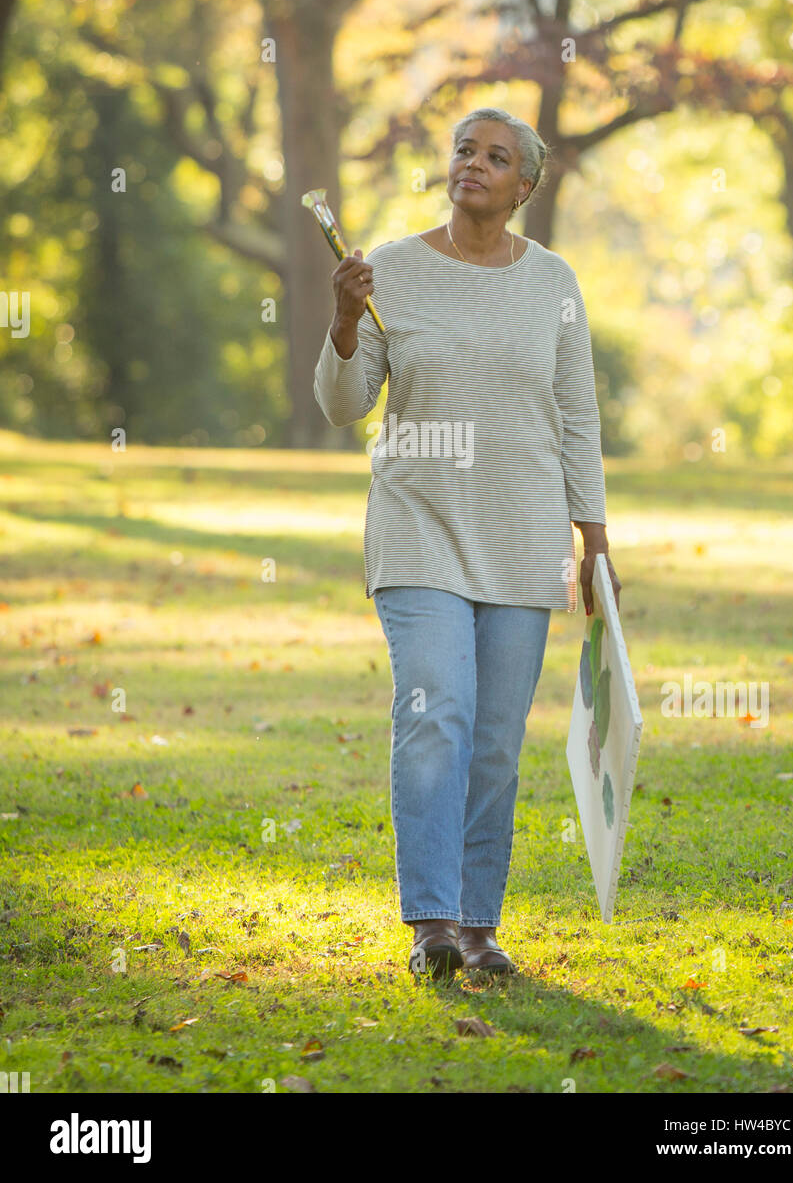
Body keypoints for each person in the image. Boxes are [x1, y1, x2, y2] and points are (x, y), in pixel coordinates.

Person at [313, 106, 621, 979]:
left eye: (494, 157)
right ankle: (432, 924)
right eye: (462, 149)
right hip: (419, 527)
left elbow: (576, 417)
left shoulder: (553, 283)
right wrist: (342, 321)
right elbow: (345, 405)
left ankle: (480, 928)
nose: (472, 164)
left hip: (524, 537)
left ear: (522, 187)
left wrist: (592, 540)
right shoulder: (392, 269)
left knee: (492, 738)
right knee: (437, 710)